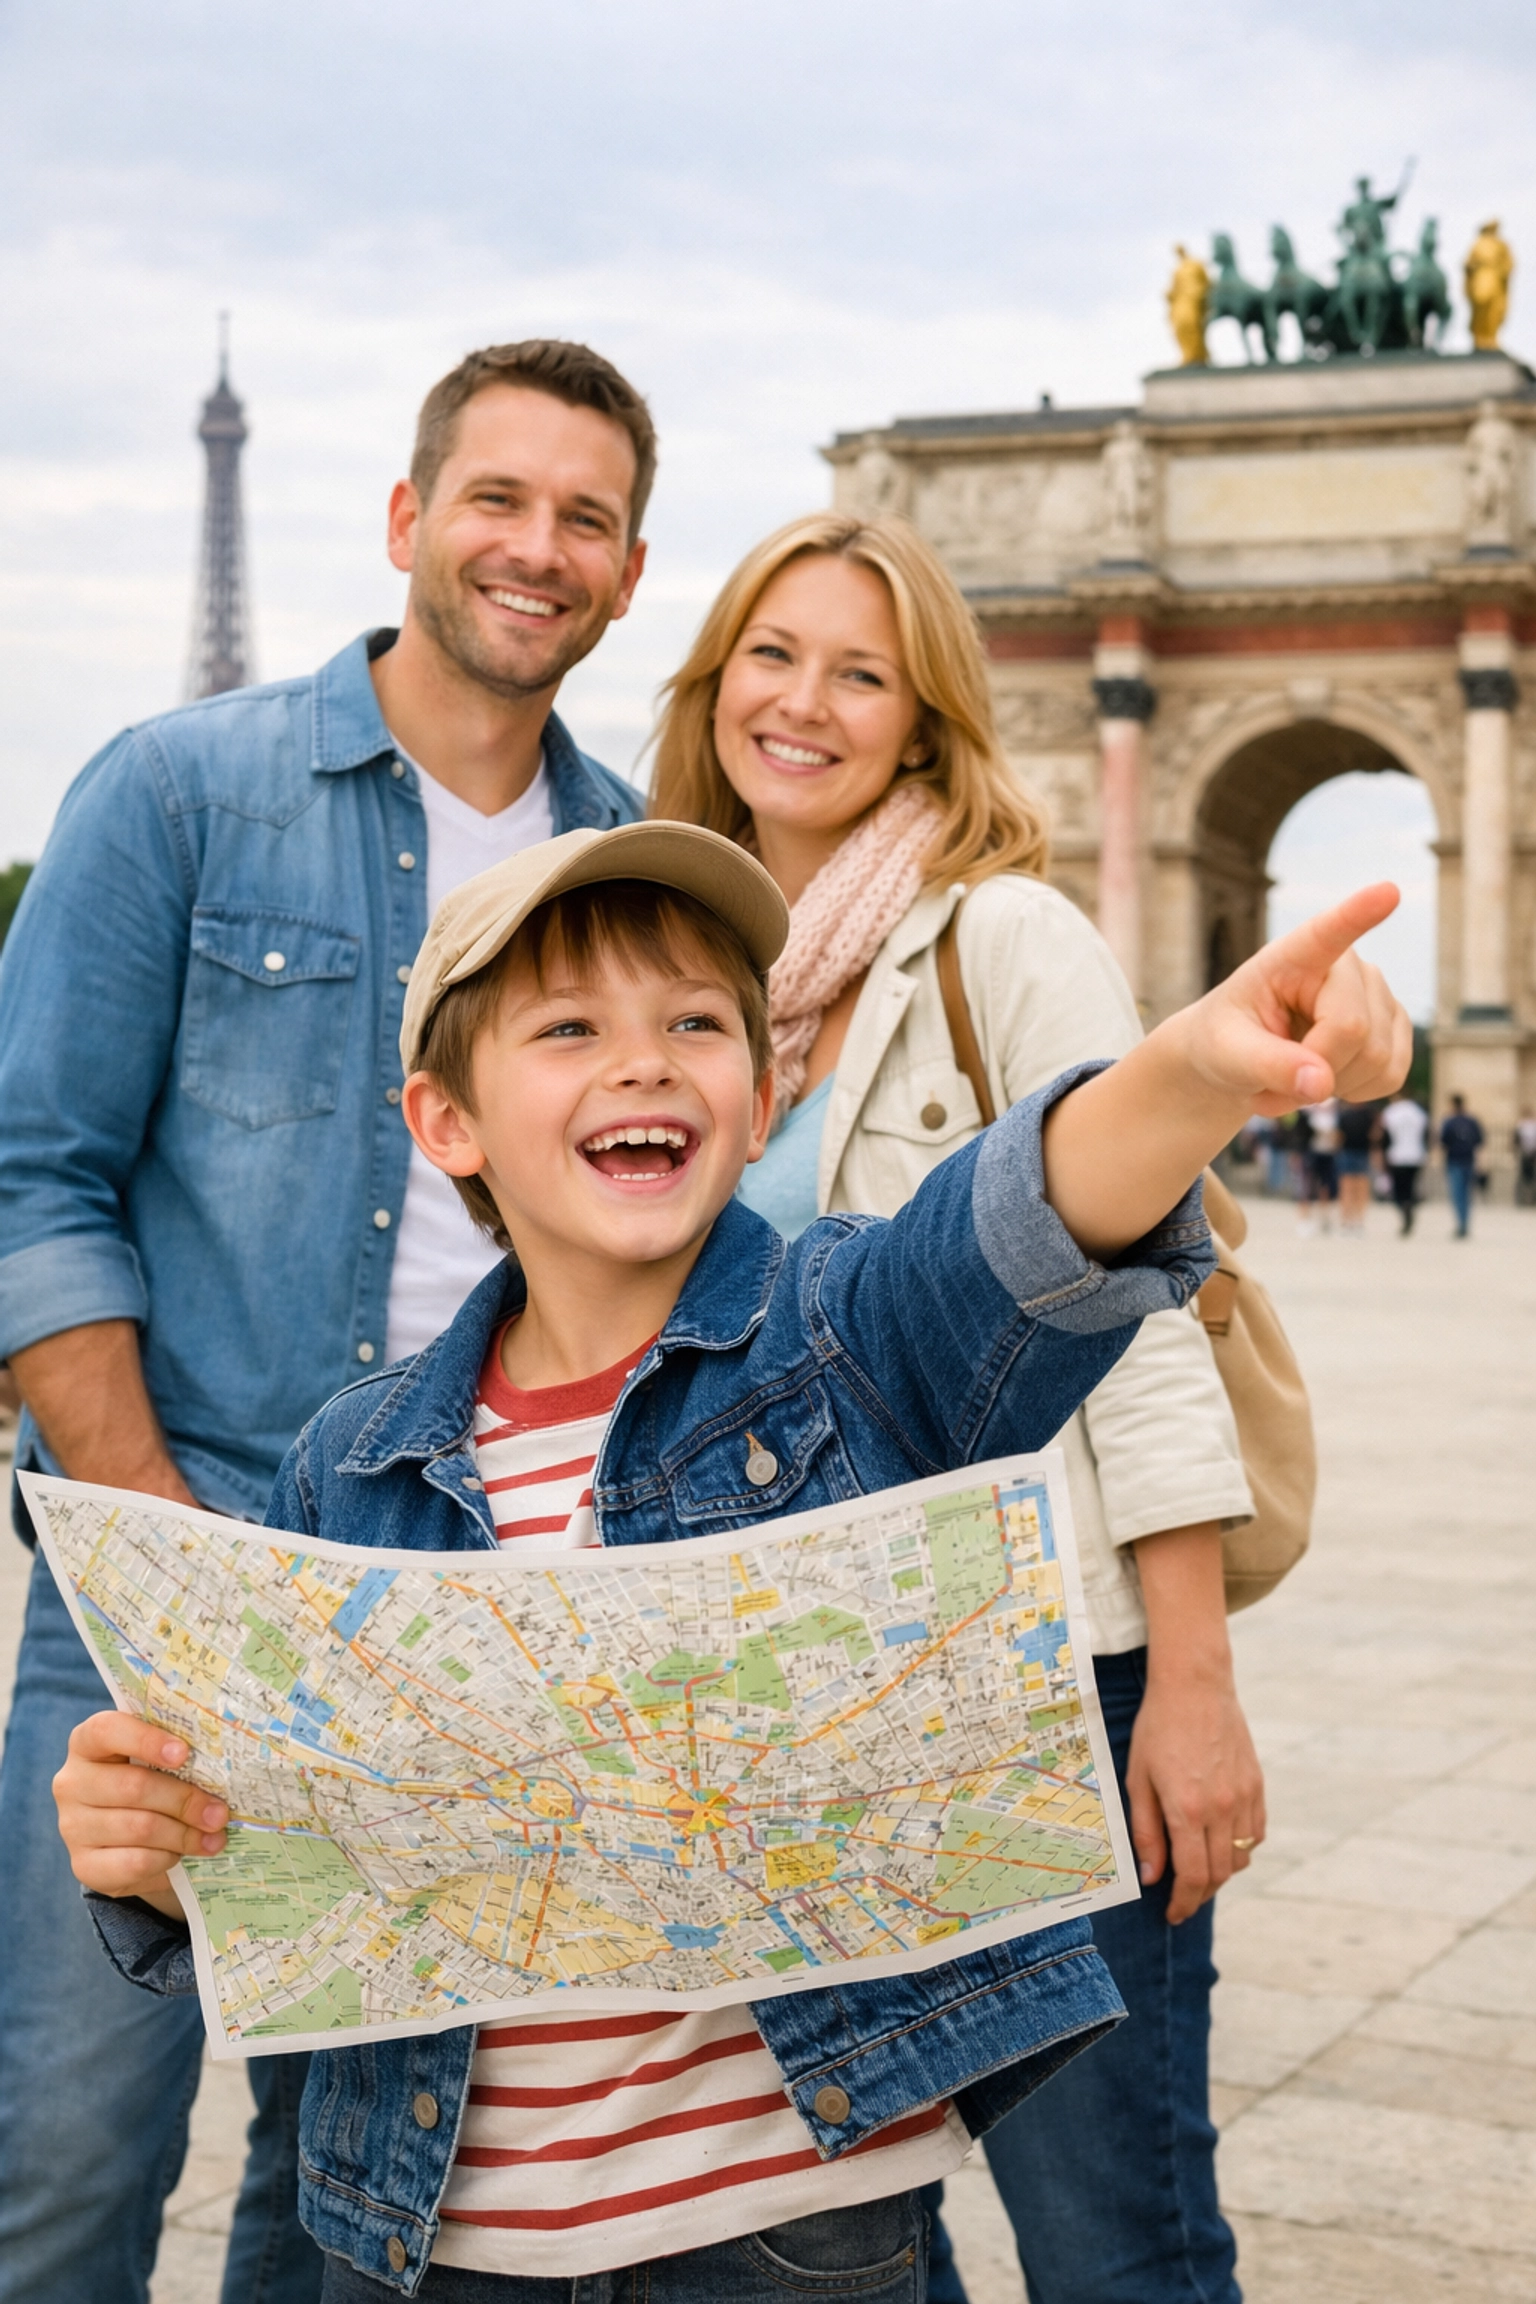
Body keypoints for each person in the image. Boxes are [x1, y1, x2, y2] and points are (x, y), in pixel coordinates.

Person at [53, 821, 1408, 2303]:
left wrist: (1197, 1069)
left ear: (761, 1099)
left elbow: (1025, 1219)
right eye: (570, 1028)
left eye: (697, 1023)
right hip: (436, 2249)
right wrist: (151, 1852)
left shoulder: (848, 1340)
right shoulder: (345, 1467)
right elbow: (279, 1847)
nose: (644, 1062)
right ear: (445, 1122)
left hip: (796, 2251)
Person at [0, 337, 654, 2304]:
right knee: (62, 2164)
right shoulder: (178, 788)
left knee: (356, 2207)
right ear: (406, 519)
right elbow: (30, 1169)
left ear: (628, 573)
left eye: (587, 519)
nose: (537, 548)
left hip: (466, 1618)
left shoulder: (624, 861)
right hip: (161, 1583)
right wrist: (147, 1520)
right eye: (499, 498)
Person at [647, 512, 1269, 2304]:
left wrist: (1195, 1687)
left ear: (925, 723)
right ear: (713, 680)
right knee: (851, 2252)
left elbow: (1145, 1317)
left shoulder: (1004, 933)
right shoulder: (681, 971)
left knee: (1113, 2240)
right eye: (772, 653)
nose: (806, 702)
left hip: (1045, 1687)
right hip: (784, 1709)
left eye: (864, 672)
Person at [1379, 1090, 1429, 1235]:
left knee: (1398, 1190)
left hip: (1397, 1155)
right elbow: (1425, 1134)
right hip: (1415, 1155)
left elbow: (1385, 1137)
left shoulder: (1391, 1112)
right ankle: (1409, 1206)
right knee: (1410, 1186)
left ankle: (1404, 1210)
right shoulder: (1418, 1112)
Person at [1440, 1092, 1485, 1239]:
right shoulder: (1472, 1121)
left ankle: (1461, 1224)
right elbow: (1479, 1141)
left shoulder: (1449, 1122)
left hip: (1454, 1161)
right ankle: (1465, 1223)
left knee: (1458, 1194)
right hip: (1469, 1160)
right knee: (1467, 1195)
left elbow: (1443, 1142)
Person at [1334, 1099, 1380, 1234]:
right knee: (1353, 1189)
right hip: (1357, 1152)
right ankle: (1352, 1220)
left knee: (1354, 1189)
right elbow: (1375, 1136)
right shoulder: (1368, 1115)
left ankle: (1353, 1220)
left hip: (1354, 1153)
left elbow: (1338, 1137)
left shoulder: (1345, 1115)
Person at [1298, 1094, 1339, 1236]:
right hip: (1311, 1152)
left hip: (1328, 1153)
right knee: (1307, 1186)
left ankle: (1325, 1218)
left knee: (1326, 1186)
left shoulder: (1334, 1111)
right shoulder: (1307, 1111)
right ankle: (1304, 1219)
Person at [1516, 1108, 1536, 1207]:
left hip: (1526, 1153)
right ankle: (1528, 1199)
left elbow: (1516, 1140)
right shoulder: (1528, 1125)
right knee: (1529, 1177)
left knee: (1525, 1177)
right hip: (1531, 1153)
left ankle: (1524, 1199)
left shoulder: (1521, 1125)